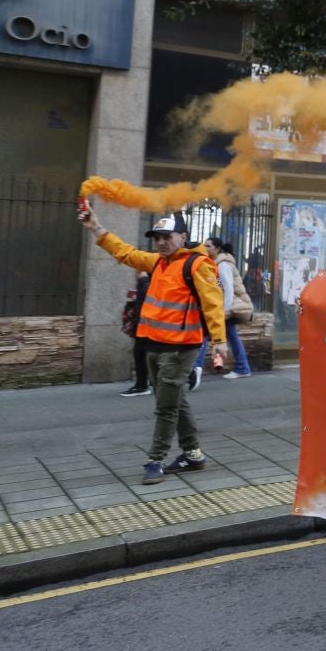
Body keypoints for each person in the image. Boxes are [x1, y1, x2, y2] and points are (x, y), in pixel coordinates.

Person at [77, 207, 228, 484]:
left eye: (166, 236)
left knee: (166, 408)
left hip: (181, 349)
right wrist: (95, 227)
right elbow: (125, 252)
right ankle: (193, 454)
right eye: (156, 237)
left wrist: (219, 342)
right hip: (154, 346)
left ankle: (155, 460)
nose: (160, 242)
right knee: (174, 401)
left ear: (182, 237)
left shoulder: (197, 264)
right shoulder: (159, 262)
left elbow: (213, 303)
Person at [195, 238, 254, 379]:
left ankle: (195, 368)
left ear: (217, 249)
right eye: (204, 246)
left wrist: (224, 311)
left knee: (205, 337)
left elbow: (227, 289)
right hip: (221, 308)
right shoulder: (215, 264)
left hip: (224, 309)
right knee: (227, 338)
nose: (205, 248)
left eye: (208, 246)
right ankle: (241, 367)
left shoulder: (223, 265)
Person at [118, 271, 155, 397]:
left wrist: (143, 281)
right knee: (140, 354)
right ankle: (142, 385)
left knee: (150, 354)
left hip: (153, 324)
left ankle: (189, 374)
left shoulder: (151, 277)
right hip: (143, 323)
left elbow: (150, 295)